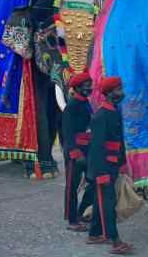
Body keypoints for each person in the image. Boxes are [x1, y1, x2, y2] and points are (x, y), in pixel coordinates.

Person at [86, 76, 133, 255]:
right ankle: (115, 240)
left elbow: (118, 141)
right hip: (103, 168)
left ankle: (94, 234)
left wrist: (122, 163)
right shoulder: (100, 116)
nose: (122, 93)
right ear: (110, 93)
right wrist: (101, 173)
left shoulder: (114, 110)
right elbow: (97, 148)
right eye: (118, 90)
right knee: (108, 203)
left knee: (101, 202)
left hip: (112, 166)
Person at [62, 71, 94, 232]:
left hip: (88, 150)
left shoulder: (86, 103)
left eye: (90, 85)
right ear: (78, 87)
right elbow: (67, 132)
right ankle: (72, 219)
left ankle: (82, 211)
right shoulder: (72, 105)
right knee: (72, 186)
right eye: (87, 86)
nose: (90, 88)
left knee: (94, 182)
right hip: (76, 152)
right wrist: (75, 153)